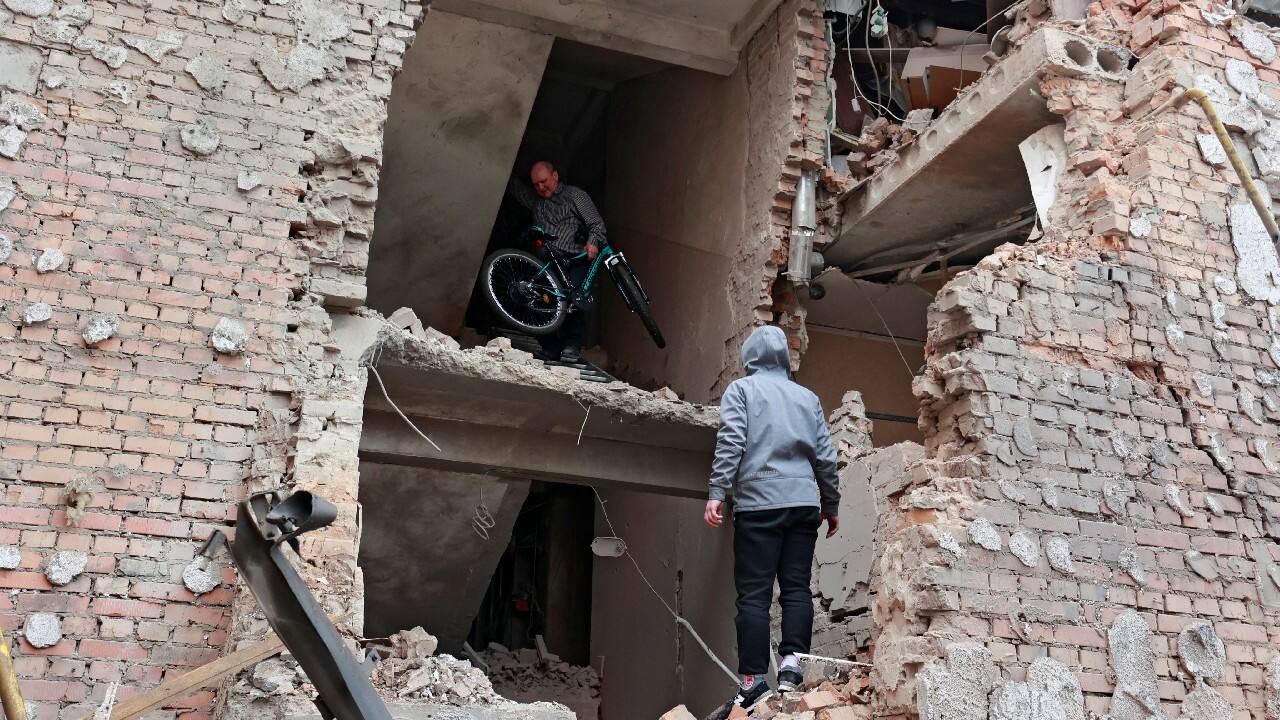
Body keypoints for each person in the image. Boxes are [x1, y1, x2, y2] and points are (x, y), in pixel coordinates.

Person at [704, 325, 840, 713]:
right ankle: (792, 666)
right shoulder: (807, 398)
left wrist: (717, 492)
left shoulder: (741, 391)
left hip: (759, 503)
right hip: (802, 504)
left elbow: (731, 441)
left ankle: (751, 682)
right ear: (783, 356)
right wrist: (830, 505)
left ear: (749, 357)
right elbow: (825, 458)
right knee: (796, 587)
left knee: (754, 596)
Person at [506, 160, 607, 363]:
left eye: (544, 182)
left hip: (573, 258)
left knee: (575, 299)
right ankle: (550, 347)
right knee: (534, 299)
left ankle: (572, 346)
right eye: (536, 185)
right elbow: (514, 187)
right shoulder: (536, 200)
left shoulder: (575, 196)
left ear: (555, 176)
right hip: (546, 261)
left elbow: (596, 223)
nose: (541, 187)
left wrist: (593, 243)